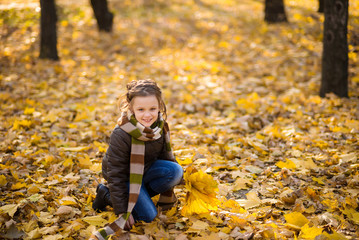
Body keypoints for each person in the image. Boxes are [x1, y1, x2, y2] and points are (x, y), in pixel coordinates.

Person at [92, 79, 183, 231]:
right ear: (131, 108)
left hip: (143, 171)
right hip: (125, 177)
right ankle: (106, 195)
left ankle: (139, 196)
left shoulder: (159, 127)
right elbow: (116, 175)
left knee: (175, 171)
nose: (147, 115)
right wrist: (121, 211)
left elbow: (164, 159)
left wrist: (181, 181)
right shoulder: (121, 134)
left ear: (159, 107)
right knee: (148, 216)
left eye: (152, 109)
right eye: (141, 110)